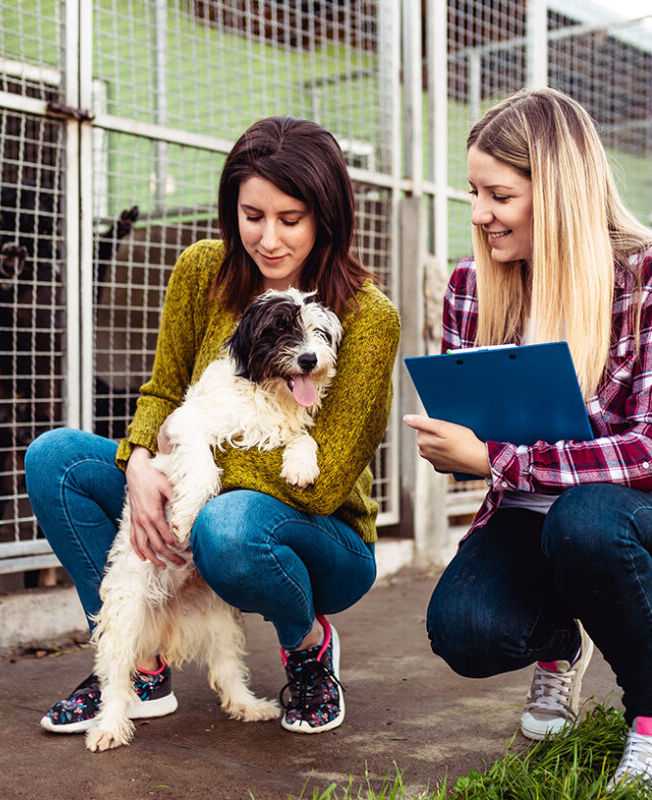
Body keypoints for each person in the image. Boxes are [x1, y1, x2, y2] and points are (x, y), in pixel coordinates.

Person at [403, 87, 652, 791]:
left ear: (554, 192)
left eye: (498, 194)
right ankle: (560, 642)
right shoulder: (470, 285)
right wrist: (457, 448)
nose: (479, 214)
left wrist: (496, 457)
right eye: (473, 192)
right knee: (462, 629)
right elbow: (478, 444)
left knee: (587, 520)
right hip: (531, 516)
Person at [25, 116, 400, 736]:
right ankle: (136, 666)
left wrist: (191, 454)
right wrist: (142, 462)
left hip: (318, 533)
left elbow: (325, 478)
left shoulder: (366, 315)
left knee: (225, 524)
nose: (270, 239)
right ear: (233, 211)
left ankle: (307, 646)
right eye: (253, 216)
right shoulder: (205, 270)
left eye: (291, 218)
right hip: (184, 477)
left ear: (326, 216)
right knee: (54, 457)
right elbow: (163, 389)